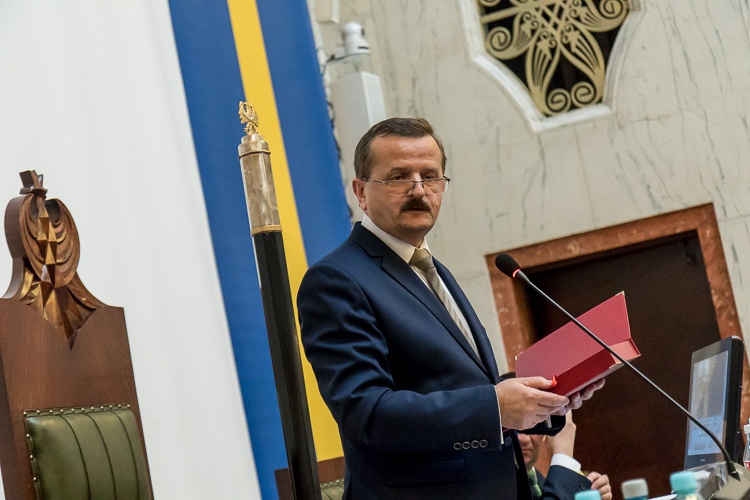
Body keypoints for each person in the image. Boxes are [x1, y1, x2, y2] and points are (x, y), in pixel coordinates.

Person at [297, 117, 605, 499]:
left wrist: (546, 399)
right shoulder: (337, 280)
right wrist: (495, 407)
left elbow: (459, 387)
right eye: (398, 177)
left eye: (430, 176)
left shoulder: (431, 269)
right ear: (361, 191)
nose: (418, 190)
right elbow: (367, 413)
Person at [519, 412, 612, 500]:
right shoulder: (507, 485)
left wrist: (588, 493)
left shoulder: (543, 483)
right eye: (515, 431)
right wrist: (563, 456)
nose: (525, 439)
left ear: (545, 434)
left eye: (532, 428)